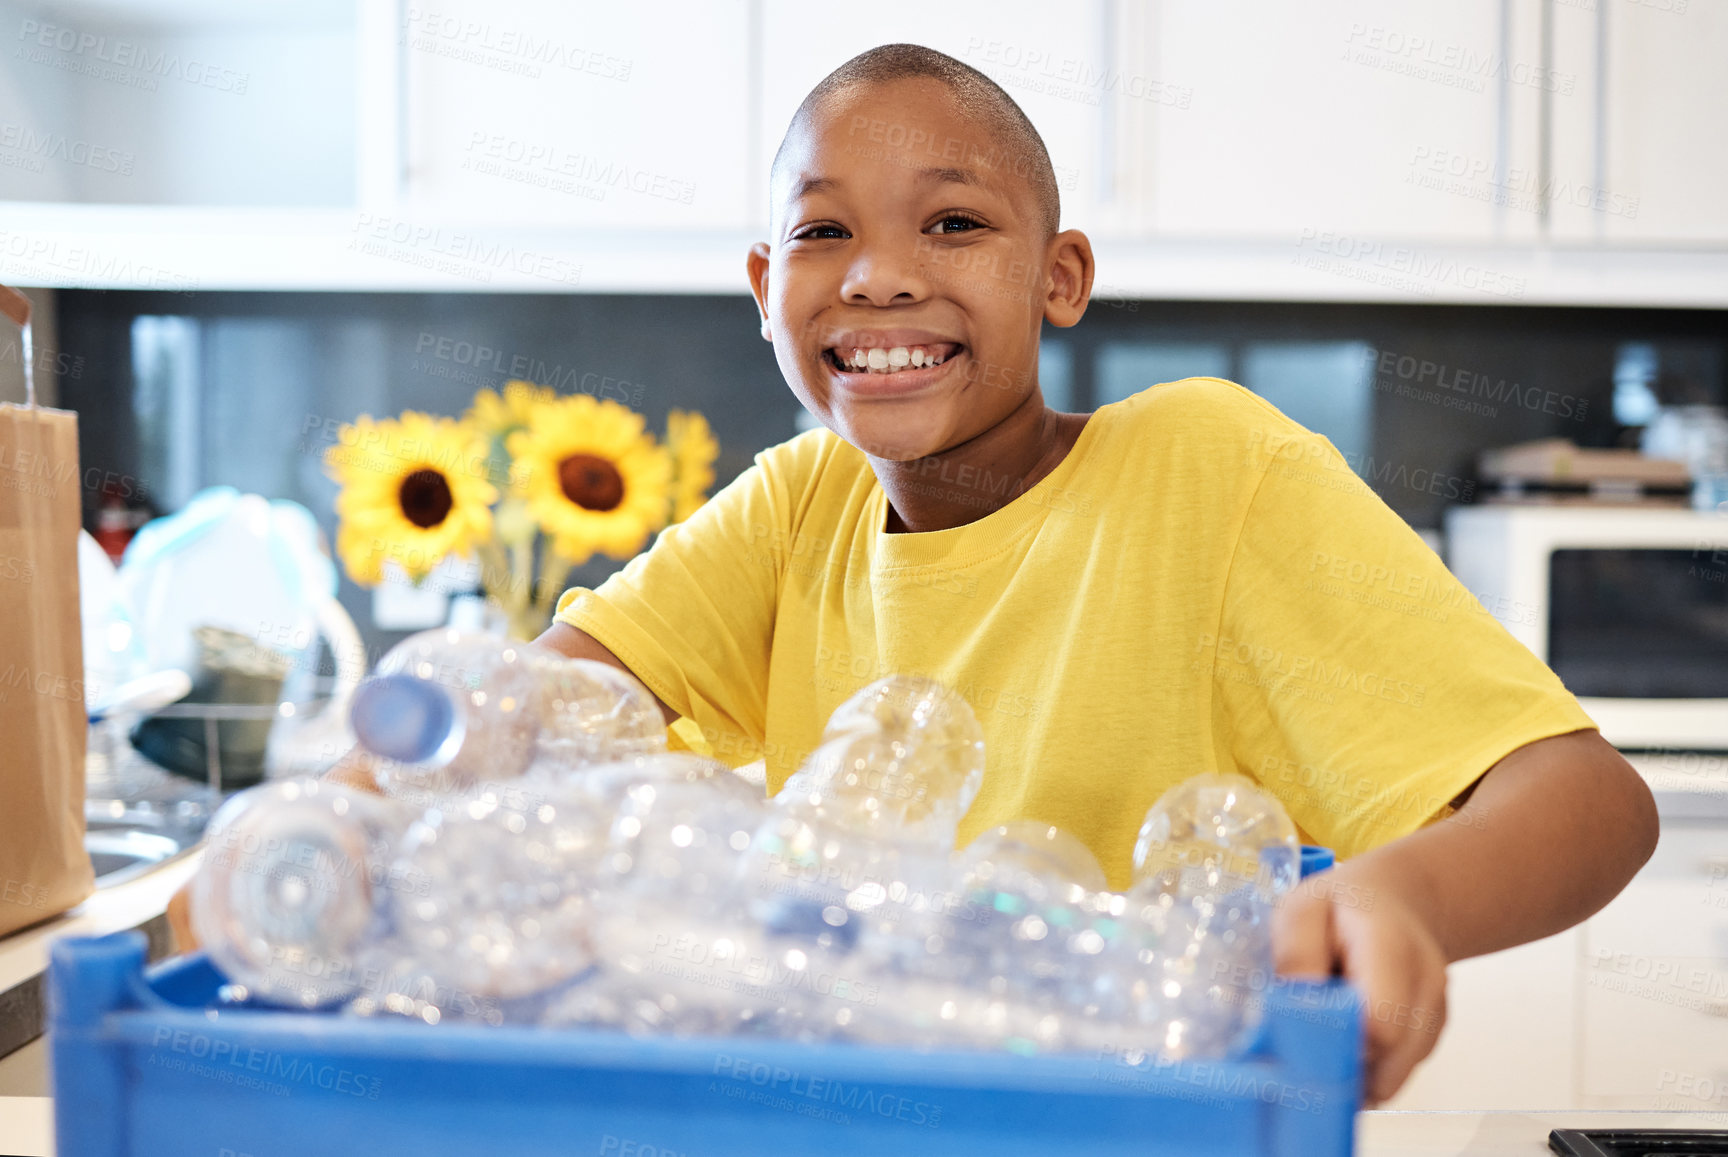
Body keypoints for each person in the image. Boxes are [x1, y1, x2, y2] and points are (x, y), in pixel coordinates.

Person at [533, 45, 1658, 1103]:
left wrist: (1390, 893)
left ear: (1059, 277)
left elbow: (1590, 804)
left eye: (955, 222)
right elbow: (518, 715)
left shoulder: (1208, 469)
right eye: (824, 229)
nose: (878, 277)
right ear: (764, 283)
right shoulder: (799, 504)